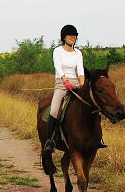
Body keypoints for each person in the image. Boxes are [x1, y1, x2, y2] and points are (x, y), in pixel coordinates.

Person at [43, 24, 106, 154]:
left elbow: (80, 70)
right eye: (70, 35)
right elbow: (58, 68)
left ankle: (98, 139)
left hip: (77, 84)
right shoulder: (57, 51)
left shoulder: (78, 53)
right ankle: (50, 141)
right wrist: (65, 81)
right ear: (64, 37)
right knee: (54, 110)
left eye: (75, 36)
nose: (73, 37)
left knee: (94, 107)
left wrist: (82, 83)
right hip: (62, 84)